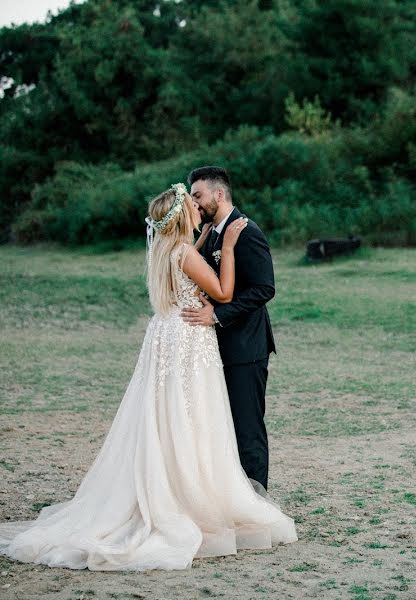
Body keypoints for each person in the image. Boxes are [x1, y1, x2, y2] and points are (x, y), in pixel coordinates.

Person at [0, 183, 297, 570]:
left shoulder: (164, 249)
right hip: (190, 340)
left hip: (167, 335)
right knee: (193, 417)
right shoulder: (186, 253)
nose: (197, 207)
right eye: (191, 204)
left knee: (169, 415)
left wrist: (205, 236)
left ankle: (176, 484)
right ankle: (194, 496)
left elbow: (193, 263)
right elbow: (224, 292)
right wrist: (224, 248)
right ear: (182, 217)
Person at [181, 166, 275, 490]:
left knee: (247, 427)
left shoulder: (246, 231)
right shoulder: (210, 233)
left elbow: (264, 288)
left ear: (218, 194)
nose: (194, 204)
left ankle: (258, 500)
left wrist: (218, 315)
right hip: (217, 349)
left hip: (246, 347)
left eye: (198, 196)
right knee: (225, 428)